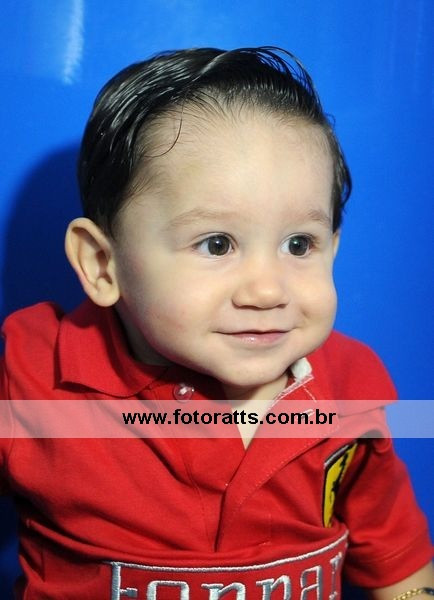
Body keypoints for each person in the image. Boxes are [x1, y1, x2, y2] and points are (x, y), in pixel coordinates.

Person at [0, 46, 432, 599]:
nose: (267, 290)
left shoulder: (352, 387)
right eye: (217, 244)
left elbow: (400, 569)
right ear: (103, 264)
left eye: (299, 244)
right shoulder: (33, 377)